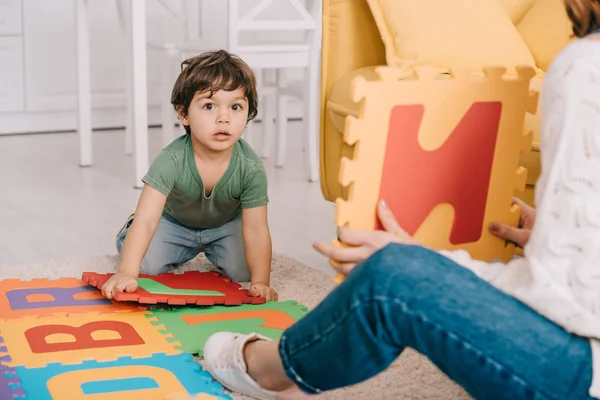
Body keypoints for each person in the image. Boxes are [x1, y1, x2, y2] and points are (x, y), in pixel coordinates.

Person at [201, 1, 600, 399]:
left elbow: (563, 301)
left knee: (392, 275)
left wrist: (432, 261)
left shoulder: (584, 67)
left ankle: (271, 368)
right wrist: (562, 238)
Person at [102, 50, 278, 302]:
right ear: (184, 114)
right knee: (146, 267)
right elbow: (148, 220)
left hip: (224, 226)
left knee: (244, 272)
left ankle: (218, 251)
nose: (224, 118)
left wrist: (261, 282)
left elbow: (257, 228)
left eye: (236, 107)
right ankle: (125, 235)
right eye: (209, 106)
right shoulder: (171, 160)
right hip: (174, 222)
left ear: (248, 114)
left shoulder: (250, 167)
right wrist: (126, 273)